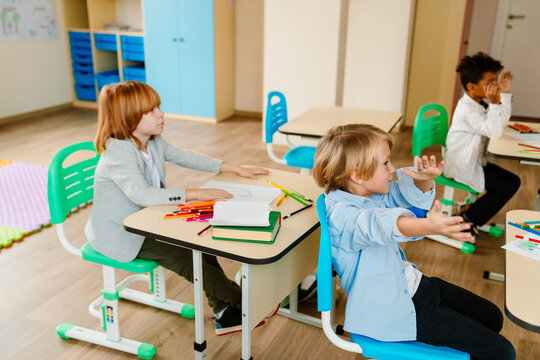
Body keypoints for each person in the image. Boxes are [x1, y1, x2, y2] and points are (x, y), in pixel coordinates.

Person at [312, 124, 515, 360]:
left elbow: (400, 195)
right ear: (358, 174)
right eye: (386, 163)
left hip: (412, 285)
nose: (393, 168)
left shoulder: (363, 191)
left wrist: (424, 181)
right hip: (393, 309)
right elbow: (382, 224)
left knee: (492, 317)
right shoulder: (341, 216)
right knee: (503, 353)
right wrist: (430, 225)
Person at [85, 81, 269, 336]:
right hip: (123, 233)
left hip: (147, 220)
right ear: (128, 117)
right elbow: (141, 193)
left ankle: (224, 311)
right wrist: (194, 194)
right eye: (151, 111)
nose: (161, 114)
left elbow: (185, 156)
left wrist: (232, 167)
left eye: (158, 107)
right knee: (187, 260)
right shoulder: (118, 152)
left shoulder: (152, 141)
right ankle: (247, 303)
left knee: (201, 247)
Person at [444, 52, 520, 236]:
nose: (495, 86)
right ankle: (467, 220)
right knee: (505, 187)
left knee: (513, 181)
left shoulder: (479, 104)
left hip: (474, 163)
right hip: (461, 165)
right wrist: (495, 102)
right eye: (490, 83)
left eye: (496, 81)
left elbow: (499, 123)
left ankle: (470, 216)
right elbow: (495, 130)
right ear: (471, 87)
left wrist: (505, 93)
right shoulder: (466, 109)